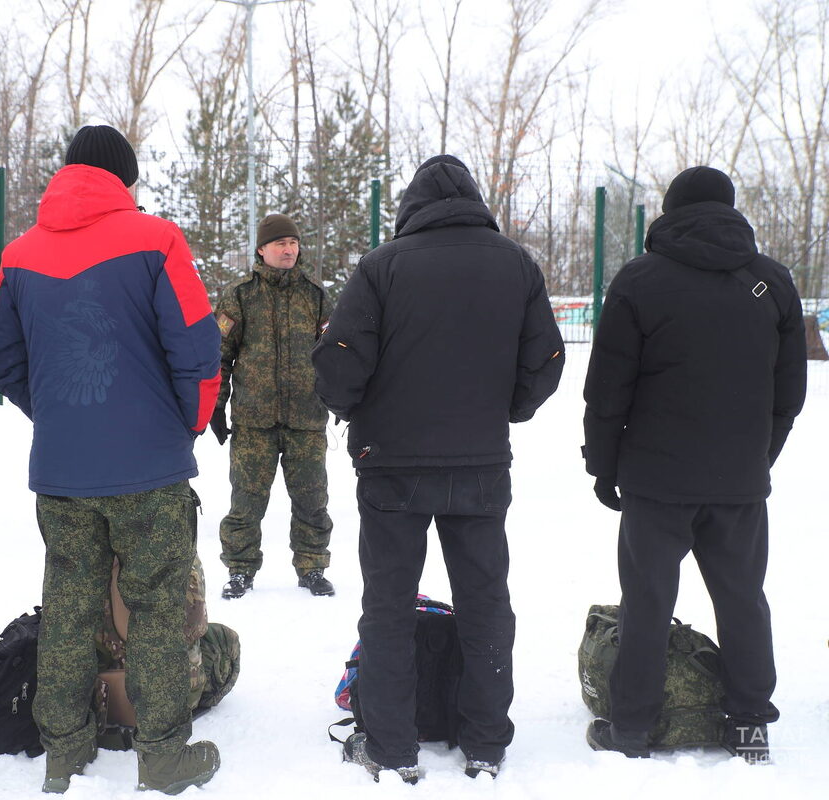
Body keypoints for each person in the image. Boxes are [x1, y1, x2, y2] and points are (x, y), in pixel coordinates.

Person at [312, 155, 564, 782]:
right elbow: (548, 360)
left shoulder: (382, 266)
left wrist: (355, 409)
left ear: (410, 207)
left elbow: (338, 367)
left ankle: (393, 748)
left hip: (391, 467)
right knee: (486, 604)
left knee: (389, 606)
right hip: (480, 465)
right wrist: (506, 409)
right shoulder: (516, 264)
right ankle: (485, 743)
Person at [0, 124, 222, 795]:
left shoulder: (21, 252)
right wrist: (183, 426)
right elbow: (198, 353)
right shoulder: (157, 239)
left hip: (61, 472)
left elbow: (7, 361)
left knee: (66, 605)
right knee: (154, 607)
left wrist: (63, 417)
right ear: (125, 179)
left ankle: (63, 751)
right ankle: (163, 755)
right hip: (149, 469)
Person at [581, 166, 806, 763]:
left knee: (647, 600)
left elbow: (607, 390)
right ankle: (751, 723)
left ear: (670, 210)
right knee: (742, 598)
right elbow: (789, 396)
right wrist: (756, 458)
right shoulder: (774, 282)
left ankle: (630, 729)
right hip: (738, 479)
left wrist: (603, 466)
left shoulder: (640, 280)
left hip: (656, 480)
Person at [212, 213, 335, 600]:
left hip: (306, 420)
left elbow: (335, 355)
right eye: (280, 243)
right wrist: (216, 405)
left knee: (312, 501)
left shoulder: (316, 295)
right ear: (261, 249)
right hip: (254, 421)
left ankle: (312, 566)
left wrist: (342, 399)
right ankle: (240, 569)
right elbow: (218, 355)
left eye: (293, 243)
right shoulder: (241, 295)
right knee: (246, 502)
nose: (288, 249)